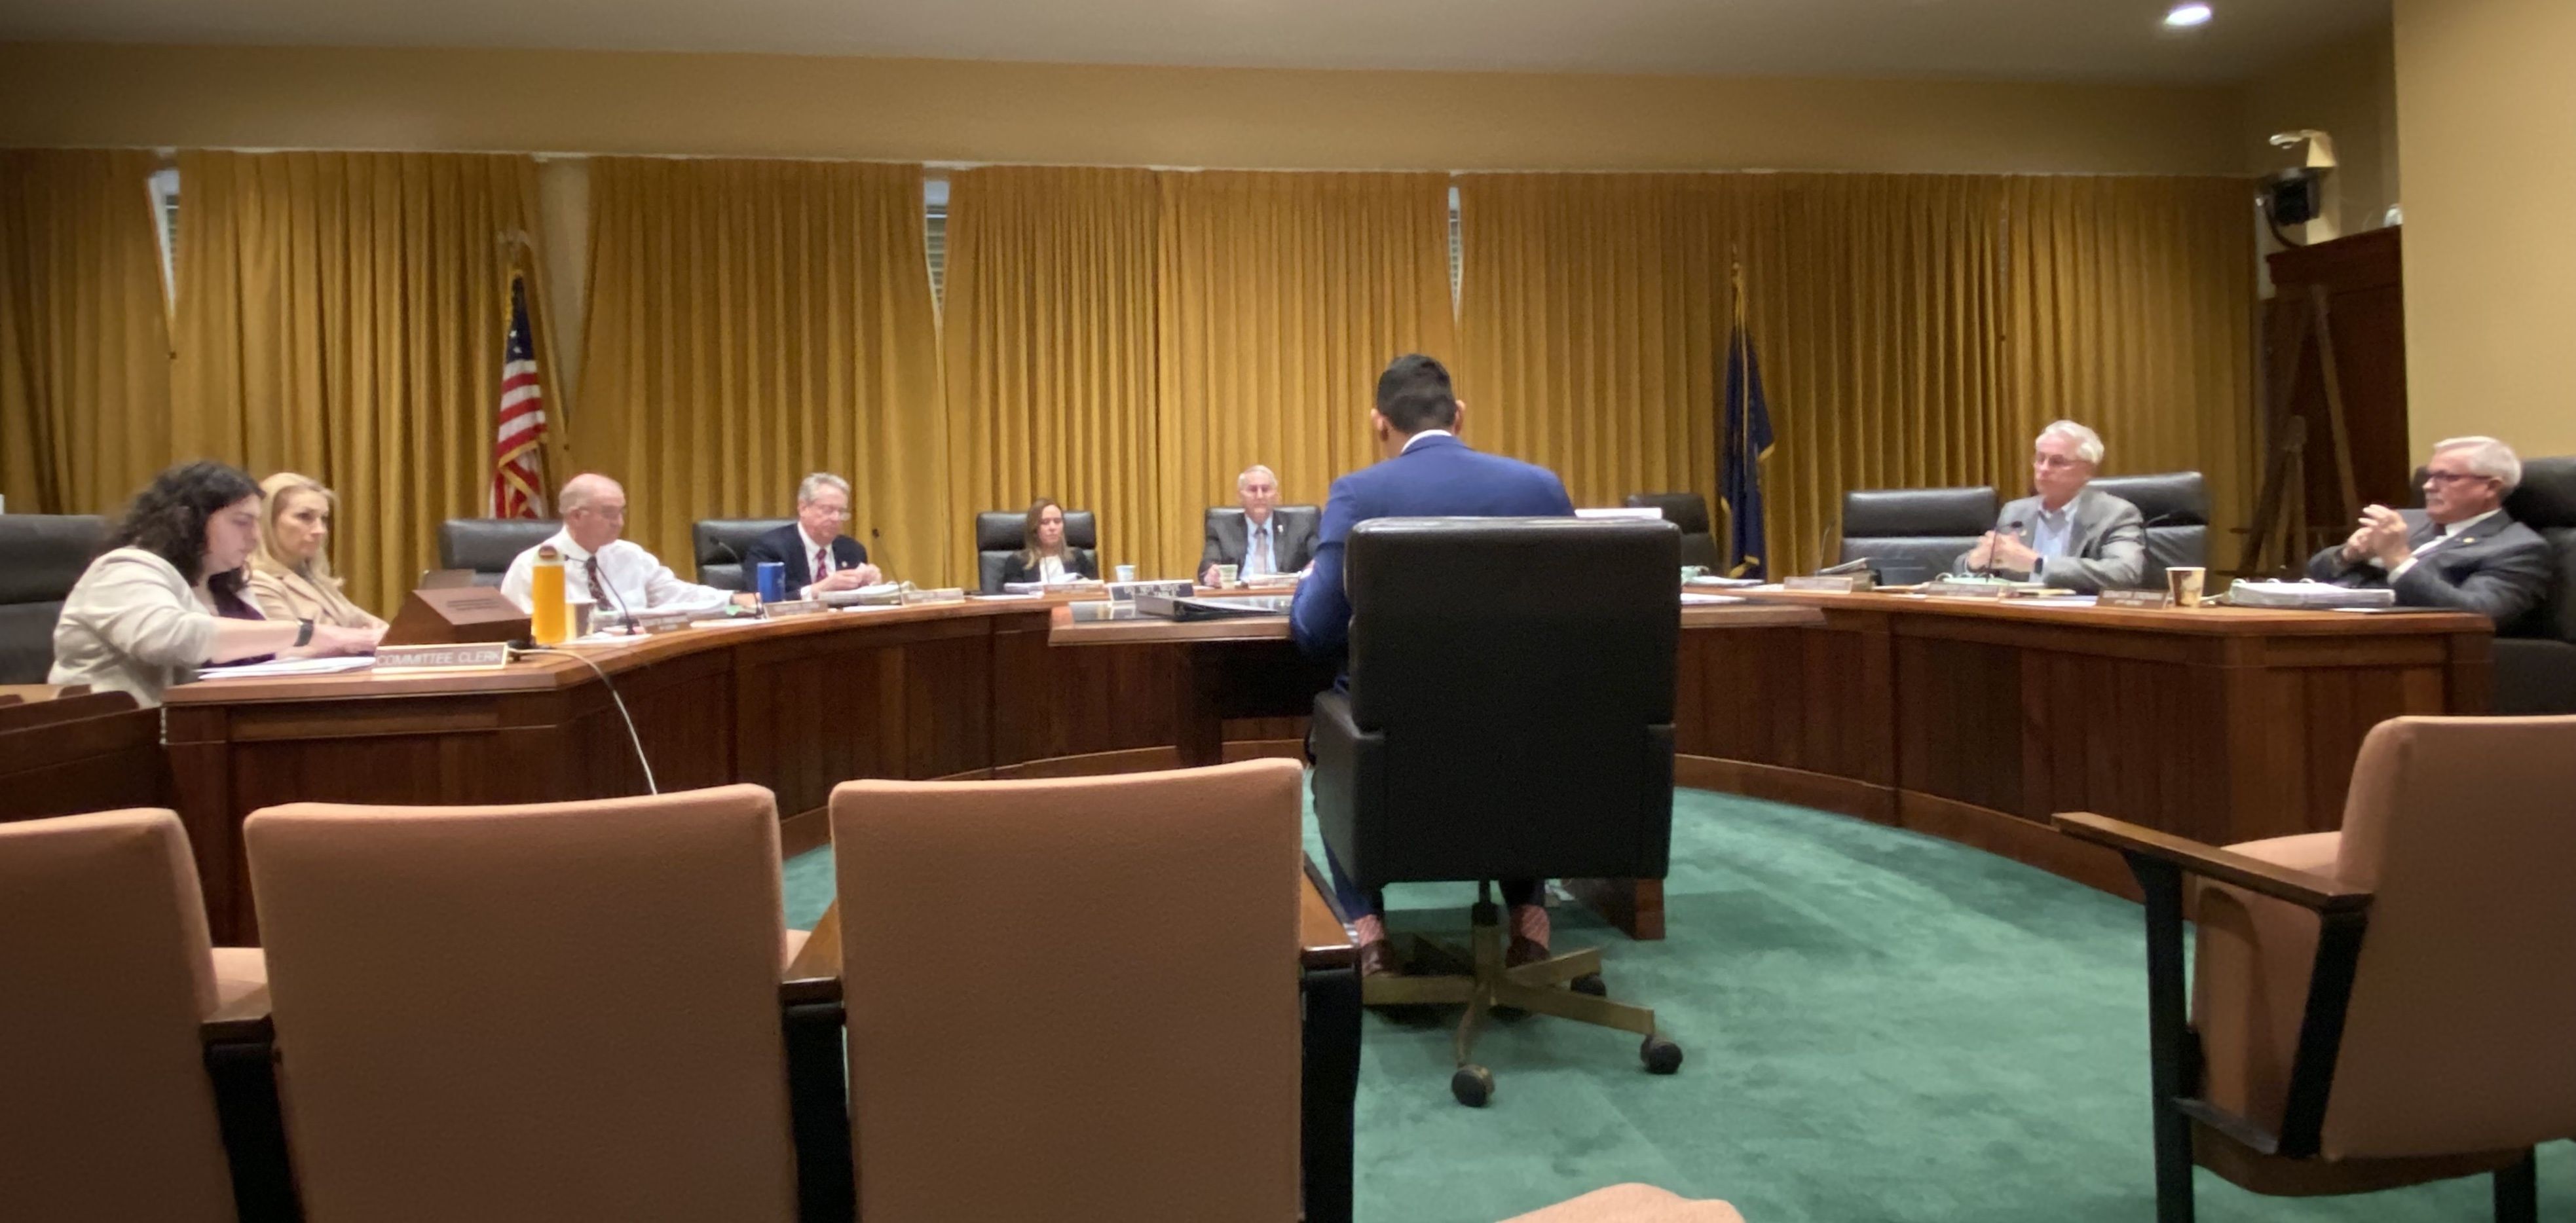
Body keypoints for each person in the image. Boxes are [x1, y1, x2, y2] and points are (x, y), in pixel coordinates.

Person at [1290, 354, 1576, 980]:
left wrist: (1311, 577)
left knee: (1332, 737)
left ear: (1377, 423)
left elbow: (1314, 632)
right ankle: (1530, 924)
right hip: (1527, 747)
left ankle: (1369, 935)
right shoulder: (1540, 488)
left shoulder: (1360, 493)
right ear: (1460, 416)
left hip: (1397, 752)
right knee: (1513, 725)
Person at [51, 461, 380, 706]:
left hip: (202, 730)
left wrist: (331, 650)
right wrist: (310, 632)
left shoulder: (225, 583)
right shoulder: (125, 569)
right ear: (188, 520)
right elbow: (171, 638)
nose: (255, 536)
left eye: (256, 523)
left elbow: (250, 665)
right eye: (241, 523)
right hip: (115, 741)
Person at [2306, 435, 2551, 627]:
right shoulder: (2405, 520)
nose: (2428, 486)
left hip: (2401, 645)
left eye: (2446, 477)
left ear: (2491, 487)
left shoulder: (2518, 548)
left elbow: (2478, 615)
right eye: (2430, 476)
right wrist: (2348, 555)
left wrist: (2399, 560)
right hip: (2329, 622)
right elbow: (2316, 573)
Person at [500, 473, 755, 619]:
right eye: (609, 514)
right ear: (576, 516)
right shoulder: (532, 565)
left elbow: (678, 594)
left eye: (622, 512)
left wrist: (736, 600)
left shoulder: (630, 555)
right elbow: (523, 631)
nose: (619, 522)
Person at [1956, 420, 2147, 592]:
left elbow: (2125, 572)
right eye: (2040, 459)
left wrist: (2038, 564)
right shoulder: (2016, 512)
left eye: (2057, 462)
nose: (2044, 469)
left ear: (2088, 470)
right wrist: (1976, 561)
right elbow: (1965, 568)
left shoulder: (2116, 514)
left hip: (2080, 620)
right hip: (2018, 616)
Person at [245, 471, 388, 632]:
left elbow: (381, 629)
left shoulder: (315, 579)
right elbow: (289, 644)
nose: (320, 530)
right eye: (304, 517)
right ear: (267, 520)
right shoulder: (254, 581)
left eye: (324, 519)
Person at [741, 473, 882, 600]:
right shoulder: (770, 549)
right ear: (803, 508)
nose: (836, 518)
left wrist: (871, 584)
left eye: (841, 512)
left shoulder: (853, 549)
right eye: (828, 510)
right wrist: (818, 590)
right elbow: (760, 600)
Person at [1199, 464, 1317, 587]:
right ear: (1240, 497)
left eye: (1265, 489)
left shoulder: (1301, 525)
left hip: (1287, 601)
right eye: (1253, 490)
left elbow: (1321, 557)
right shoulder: (1221, 527)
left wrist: (1314, 567)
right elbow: (1207, 565)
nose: (1260, 496)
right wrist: (1211, 574)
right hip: (1238, 602)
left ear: (1276, 496)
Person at [994, 498, 1098, 586]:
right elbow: (1014, 602)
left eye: (1057, 521)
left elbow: (1096, 592)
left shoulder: (1077, 557)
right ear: (1034, 528)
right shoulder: (1017, 562)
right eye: (1045, 522)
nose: (1053, 527)